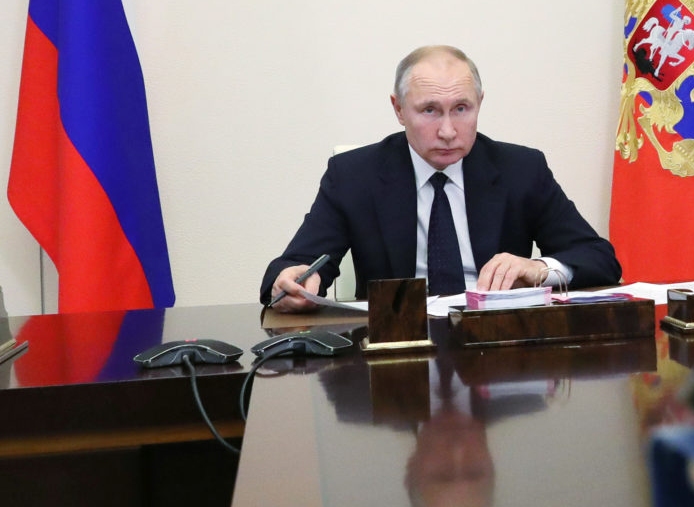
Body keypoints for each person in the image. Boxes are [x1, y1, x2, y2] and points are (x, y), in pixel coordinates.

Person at [262, 45, 621, 312]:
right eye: (430, 110)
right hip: (397, 351)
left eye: (461, 109)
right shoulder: (355, 175)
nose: (448, 131)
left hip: (496, 350)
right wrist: (293, 282)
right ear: (399, 109)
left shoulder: (521, 169)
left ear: (480, 102)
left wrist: (540, 268)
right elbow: (290, 268)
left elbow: (599, 258)